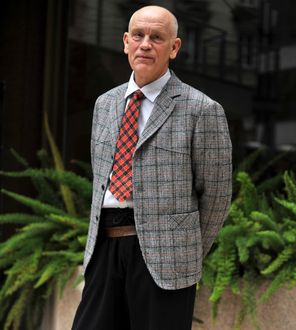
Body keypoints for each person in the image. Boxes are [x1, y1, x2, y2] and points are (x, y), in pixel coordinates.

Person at [72, 5, 232, 330]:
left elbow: (216, 195)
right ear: (126, 42)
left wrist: (184, 252)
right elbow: (100, 178)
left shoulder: (202, 110)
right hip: (104, 247)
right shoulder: (105, 104)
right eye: (139, 36)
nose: (145, 44)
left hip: (165, 259)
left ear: (174, 47)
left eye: (156, 37)